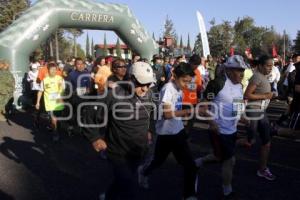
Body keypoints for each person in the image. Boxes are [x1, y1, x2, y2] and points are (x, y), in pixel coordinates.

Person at [82, 61, 155, 200]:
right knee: (128, 185)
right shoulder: (113, 95)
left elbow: (151, 114)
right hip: (118, 152)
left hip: (138, 150)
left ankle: (108, 195)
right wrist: (94, 138)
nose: (145, 89)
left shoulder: (150, 95)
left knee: (122, 181)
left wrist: (149, 129)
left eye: (148, 84)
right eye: (141, 84)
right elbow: (89, 115)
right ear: (131, 79)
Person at [138, 62, 199, 200]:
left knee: (190, 165)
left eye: (188, 81)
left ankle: (189, 195)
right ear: (174, 75)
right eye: (184, 80)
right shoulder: (167, 88)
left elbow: (182, 101)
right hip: (165, 134)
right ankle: (143, 171)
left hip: (178, 131)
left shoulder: (179, 87)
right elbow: (167, 114)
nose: (186, 84)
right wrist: (192, 110)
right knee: (158, 161)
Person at [194, 55, 248, 199]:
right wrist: (212, 123)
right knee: (229, 160)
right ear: (228, 70)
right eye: (238, 70)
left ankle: (199, 162)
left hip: (232, 129)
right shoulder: (217, 83)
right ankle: (227, 190)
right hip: (218, 130)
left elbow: (236, 106)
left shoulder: (240, 85)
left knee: (220, 157)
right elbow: (203, 106)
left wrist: (243, 118)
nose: (241, 74)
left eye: (242, 70)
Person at [244, 55, 276, 181]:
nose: (270, 68)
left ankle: (262, 169)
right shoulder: (257, 76)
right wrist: (265, 95)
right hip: (254, 111)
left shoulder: (263, 77)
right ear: (261, 65)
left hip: (260, 111)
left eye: (272, 66)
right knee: (252, 141)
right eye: (268, 65)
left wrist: (271, 95)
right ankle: (225, 148)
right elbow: (247, 95)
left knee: (265, 141)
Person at [35, 63, 65, 141]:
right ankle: (55, 133)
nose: (54, 71)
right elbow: (40, 91)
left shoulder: (60, 78)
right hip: (50, 103)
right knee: (54, 119)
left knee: (58, 119)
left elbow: (64, 90)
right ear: (48, 70)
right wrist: (37, 102)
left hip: (58, 102)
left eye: (55, 69)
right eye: (52, 70)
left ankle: (54, 127)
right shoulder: (45, 80)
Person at [182, 54, 203, 134]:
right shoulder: (182, 69)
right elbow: (175, 82)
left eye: (197, 65)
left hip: (192, 100)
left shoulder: (197, 72)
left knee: (192, 118)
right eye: (195, 65)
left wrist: (198, 97)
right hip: (181, 99)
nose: (196, 67)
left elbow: (199, 86)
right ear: (190, 62)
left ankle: (187, 133)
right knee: (179, 118)